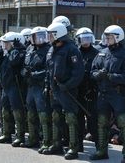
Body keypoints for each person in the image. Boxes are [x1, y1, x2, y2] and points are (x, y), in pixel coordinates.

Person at [90, 25, 125, 163]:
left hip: (118, 94)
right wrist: (99, 75)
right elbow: (93, 71)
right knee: (102, 123)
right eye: (106, 37)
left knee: (123, 123)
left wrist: (110, 76)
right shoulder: (102, 52)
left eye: (109, 37)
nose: (107, 39)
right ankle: (102, 151)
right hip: (103, 94)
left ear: (117, 37)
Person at [42, 22, 84, 160]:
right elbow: (49, 70)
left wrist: (68, 85)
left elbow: (78, 72)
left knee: (71, 118)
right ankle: (56, 144)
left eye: (51, 35)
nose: (48, 37)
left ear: (58, 35)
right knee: (56, 116)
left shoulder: (72, 49)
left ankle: (73, 147)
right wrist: (47, 86)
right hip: (55, 90)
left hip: (67, 90)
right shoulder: (51, 49)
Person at [20, 26, 51, 153]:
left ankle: (46, 141)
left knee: (43, 115)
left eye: (41, 36)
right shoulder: (29, 49)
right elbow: (23, 66)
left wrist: (35, 74)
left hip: (41, 86)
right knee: (31, 113)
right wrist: (24, 73)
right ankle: (33, 138)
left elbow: (49, 70)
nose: (39, 39)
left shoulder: (49, 50)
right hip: (31, 87)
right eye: (36, 36)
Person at [0, 32, 26, 147]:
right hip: (6, 87)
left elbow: (14, 62)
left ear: (13, 42)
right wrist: (1, 54)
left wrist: (16, 49)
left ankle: (20, 136)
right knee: (5, 109)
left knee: (17, 111)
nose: (4, 45)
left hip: (14, 86)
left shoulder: (19, 52)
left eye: (7, 43)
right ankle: (6, 133)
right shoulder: (7, 54)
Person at [75, 27, 99, 151]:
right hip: (78, 91)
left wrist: (93, 89)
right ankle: (78, 145)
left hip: (91, 92)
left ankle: (99, 148)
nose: (86, 41)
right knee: (78, 120)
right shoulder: (75, 52)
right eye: (83, 39)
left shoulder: (97, 53)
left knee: (93, 121)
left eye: (88, 38)